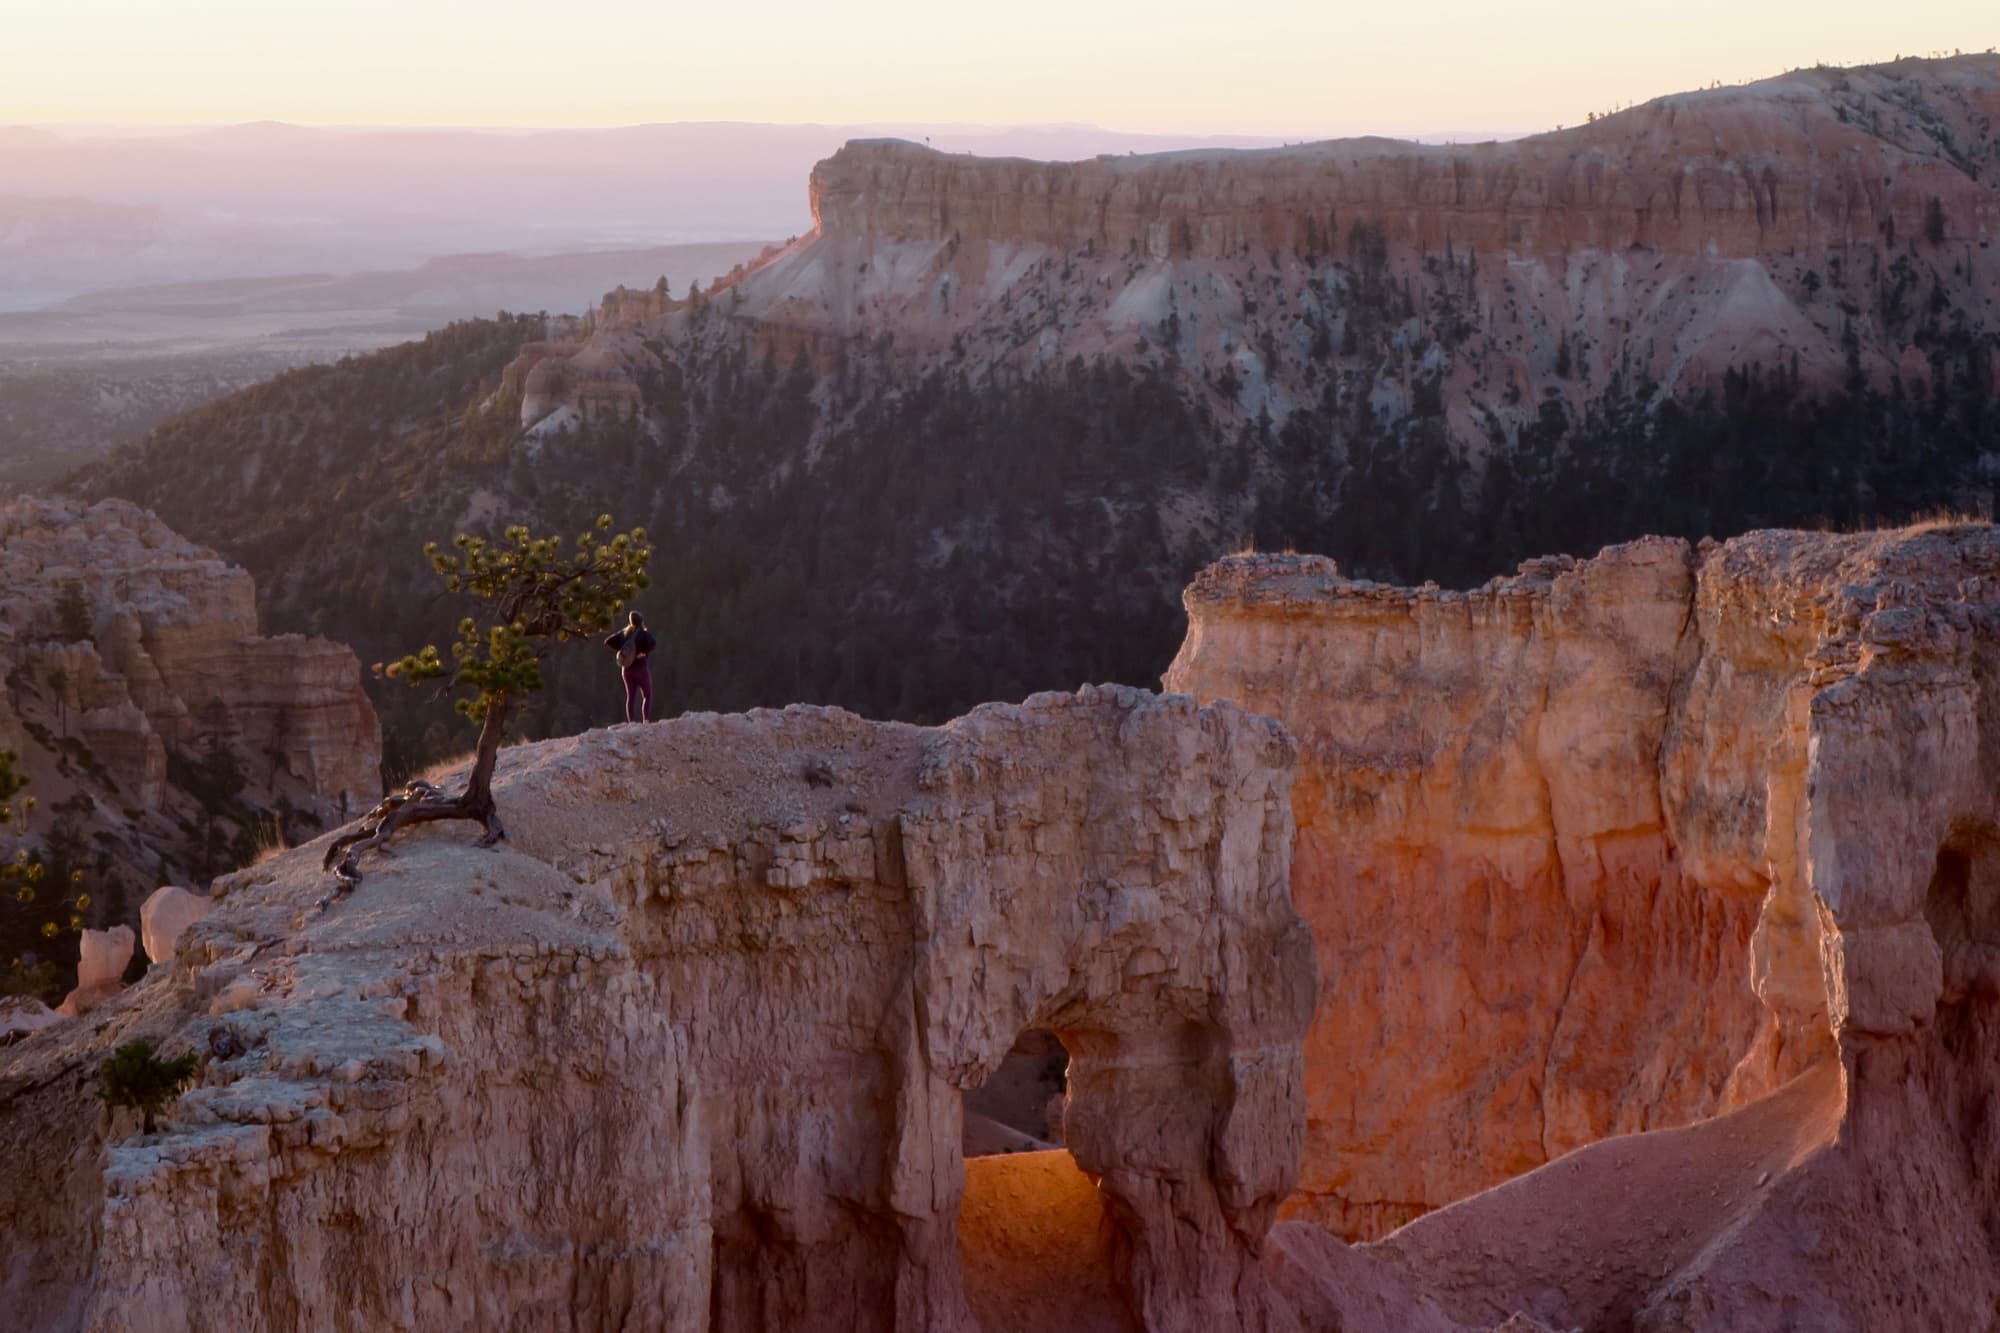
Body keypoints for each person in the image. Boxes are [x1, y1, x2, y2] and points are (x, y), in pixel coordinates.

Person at [604, 611, 658, 723]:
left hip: (627, 670)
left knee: (631, 696)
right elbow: (653, 642)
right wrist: (643, 652)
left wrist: (622, 651)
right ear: (641, 621)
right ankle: (646, 720)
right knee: (647, 695)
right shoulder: (644, 634)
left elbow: (608, 641)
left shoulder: (624, 633)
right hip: (641, 669)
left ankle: (632, 722)